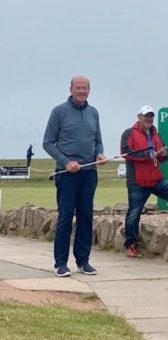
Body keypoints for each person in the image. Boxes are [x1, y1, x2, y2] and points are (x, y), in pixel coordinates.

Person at [43, 75, 106, 277]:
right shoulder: (59, 112)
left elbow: (98, 140)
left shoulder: (93, 113)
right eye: (78, 87)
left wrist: (100, 153)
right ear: (70, 89)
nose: (81, 91)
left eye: (84, 88)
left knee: (86, 217)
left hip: (89, 172)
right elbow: (48, 143)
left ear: (89, 90)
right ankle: (60, 263)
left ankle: (83, 261)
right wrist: (66, 162)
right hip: (67, 173)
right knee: (66, 217)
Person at [121, 105, 168, 258]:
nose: (149, 119)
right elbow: (126, 153)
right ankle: (131, 245)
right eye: (146, 116)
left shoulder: (155, 134)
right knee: (134, 213)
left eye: (151, 116)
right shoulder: (129, 133)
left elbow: (164, 157)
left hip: (156, 179)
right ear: (139, 117)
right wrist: (147, 154)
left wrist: (163, 154)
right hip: (137, 181)